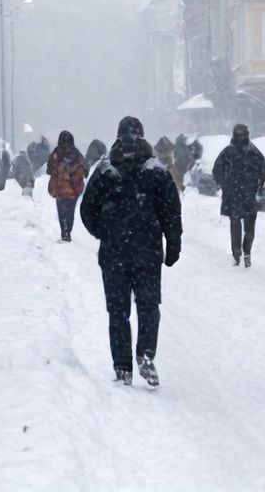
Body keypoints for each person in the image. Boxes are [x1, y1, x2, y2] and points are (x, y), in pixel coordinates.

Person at [80, 117, 183, 387]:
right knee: (148, 306)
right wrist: (172, 244)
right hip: (148, 252)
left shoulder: (105, 171)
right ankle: (146, 353)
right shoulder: (157, 172)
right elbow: (171, 212)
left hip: (114, 255)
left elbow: (87, 210)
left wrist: (104, 232)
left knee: (118, 311)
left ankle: (122, 365)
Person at [212, 124, 265, 268]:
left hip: (248, 194)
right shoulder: (228, 152)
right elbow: (217, 169)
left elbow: (264, 168)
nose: (242, 137)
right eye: (240, 135)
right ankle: (237, 253)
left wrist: (259, 184)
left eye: (244, 134)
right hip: (234, 195)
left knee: (249, 226)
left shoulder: (253, 151)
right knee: (236, 224)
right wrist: (224, 184)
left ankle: (246, 252)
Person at [47, 131, 88, 243]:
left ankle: (64, 232)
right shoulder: (77, 153)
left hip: (60, 188)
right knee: (70, 211)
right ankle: (68, 230)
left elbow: (49, 169)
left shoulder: (57, 152)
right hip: (74, 189)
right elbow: (86, 170)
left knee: (62, 211)